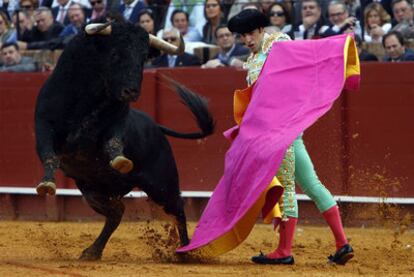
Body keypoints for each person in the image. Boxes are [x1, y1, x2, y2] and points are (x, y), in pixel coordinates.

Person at [228, 9, 354, 265]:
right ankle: (343, 243)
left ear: (262, 29)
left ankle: (284, 251)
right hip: (276, 131)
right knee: (311, 184)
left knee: (286, 186)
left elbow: (306, 61)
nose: (247, 40)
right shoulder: (251, 61)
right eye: (242, 36)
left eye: (251, 33)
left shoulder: (279, 43)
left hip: (282, 130)